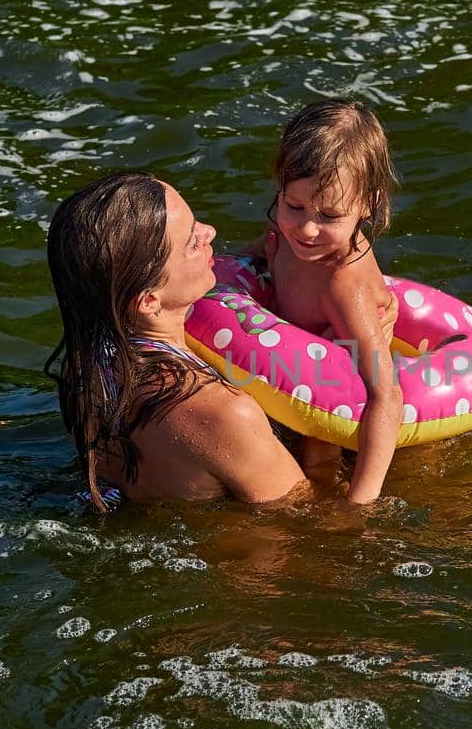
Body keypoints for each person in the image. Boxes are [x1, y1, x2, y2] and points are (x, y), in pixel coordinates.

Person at [44, 170, 310, 510]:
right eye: (191, 241)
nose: (209, 232)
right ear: (149, 300)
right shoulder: (224, 412)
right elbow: (300, 512)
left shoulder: (87, 371)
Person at [255, 99, 403, 505]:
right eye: (294, 206)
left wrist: (363, 501)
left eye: (330, 215)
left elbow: (386, 393)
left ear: (368, 204)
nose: (305, 228)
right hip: (293, 368)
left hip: (338, 390)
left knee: (316, 460)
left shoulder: (342, 282)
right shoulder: (281, 233)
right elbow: (244, 263)